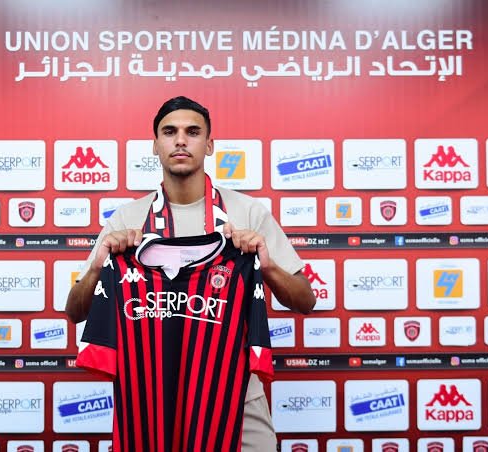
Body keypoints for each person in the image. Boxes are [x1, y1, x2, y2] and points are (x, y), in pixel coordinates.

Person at [66, 95, 315, 451]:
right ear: (155, 146)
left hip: (238, 397)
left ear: (209, 145)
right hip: (154, 400)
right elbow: (75, 311)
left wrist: (267, 264)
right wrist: (97, 266)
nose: (181, 140)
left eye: (193, 132)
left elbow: (305, 300)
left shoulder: (247, 212)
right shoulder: (127, 219)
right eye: (170, 132)